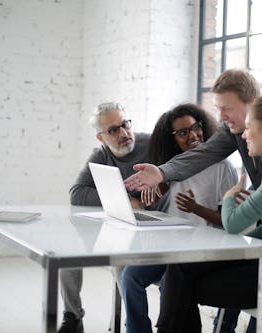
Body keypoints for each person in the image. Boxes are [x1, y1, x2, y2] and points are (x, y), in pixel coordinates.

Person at [124, 69, 262, 332]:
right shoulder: (239, 132)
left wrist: (240, 199)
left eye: (226, 108)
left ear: (252, 104)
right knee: (181, 272)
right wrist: (162, 172)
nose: (220, 117)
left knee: (188, 283)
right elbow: (204, 154)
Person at [121, 103, 238, 333]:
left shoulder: (222, 167)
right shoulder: (171, 167)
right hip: (171, 245)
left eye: (196, 127)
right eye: (183, 132)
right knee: (129, 277)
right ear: (171, 139)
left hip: (202, 248)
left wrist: (196, 209)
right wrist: (154, 196)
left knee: (170, 284)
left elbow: (229, 221)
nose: (193, 135)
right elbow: (160, 206)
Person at [60, 102, 158, 333]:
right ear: (101, 137)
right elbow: (77, 193)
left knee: (120, 264)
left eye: (125, 125)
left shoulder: (152, 144)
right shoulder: (100, 155)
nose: (124, 133)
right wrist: (127, 201)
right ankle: (73, 316)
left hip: (155, 226)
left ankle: (132, 323)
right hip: (121, 225)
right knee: (67, 253)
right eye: (113, 130)